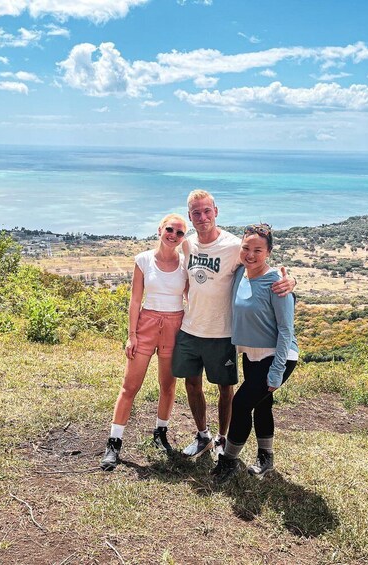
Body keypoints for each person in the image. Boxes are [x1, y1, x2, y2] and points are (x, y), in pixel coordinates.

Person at [173, 190, 295, 460]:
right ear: (190, 216)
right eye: (196, 212)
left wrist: (291, 281)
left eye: (207, 211)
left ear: (216, 211)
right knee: (191, 384)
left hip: (222, 332)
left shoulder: (232, 246)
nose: (202, 217)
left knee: (225, 390)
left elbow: (263, 265)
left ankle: (222, 439)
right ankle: (203, 435)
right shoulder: (188, 245)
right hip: (191, 327)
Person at [100, 213, 189, 471]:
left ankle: (160, 433)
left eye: (180, 232)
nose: (173, 235)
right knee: (130, 386)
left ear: (184, 238)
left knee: (168, 386)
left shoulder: (185, 264)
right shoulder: (143, 260)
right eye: (170, 229)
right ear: (160, 229)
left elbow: (192, 297)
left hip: (175, 326)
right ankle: (114, 442)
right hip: (146, 325)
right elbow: (135, 301)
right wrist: (132, 335)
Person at [210, 223, 298, 483]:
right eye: (246, 248)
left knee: (240, 404)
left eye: (257, 250)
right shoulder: (241, 274)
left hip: (277, 357)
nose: (250, 254)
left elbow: (286, 331)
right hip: (251, 355)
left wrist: (276, 372)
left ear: (268, 252)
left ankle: (228, 461)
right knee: (262, 405)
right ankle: (266, 457)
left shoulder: (276, 284)